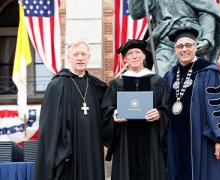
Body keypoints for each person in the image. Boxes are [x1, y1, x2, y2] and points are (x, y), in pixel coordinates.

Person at [164, 28, 220, 180]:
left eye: (188, 45)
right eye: (180, 46)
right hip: (175, 142)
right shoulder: (170, 75)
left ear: (196, 47)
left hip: (203, 141)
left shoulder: (209, 71)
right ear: (175, 50)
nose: (184, 49)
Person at [34, 41, 108, 180]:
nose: (80, 58)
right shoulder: (57, 85)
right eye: (76, 54)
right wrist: (60, 150)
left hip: (92, 146)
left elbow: (107, 113)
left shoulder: (96, 85)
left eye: (83, 54)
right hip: (69, 150)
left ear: (88, 57)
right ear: (68, 57)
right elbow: (49, 124)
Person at [101, 39, 169, 180]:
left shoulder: (157, 81)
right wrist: (114, 113)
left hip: (152, 140)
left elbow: (167, 107)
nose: (134, 56)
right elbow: (105, 109)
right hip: (125, 139)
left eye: (138, 52)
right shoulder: (117, 83)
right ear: (125, 58)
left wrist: (160, 114)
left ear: (144, 56)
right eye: (130, 53)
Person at [128, 0, 220, 76]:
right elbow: (137, 13)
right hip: (166, 43)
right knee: (159, 78)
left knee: (197, 80)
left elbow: (206, 10)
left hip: (193, 41)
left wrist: (207, 38)